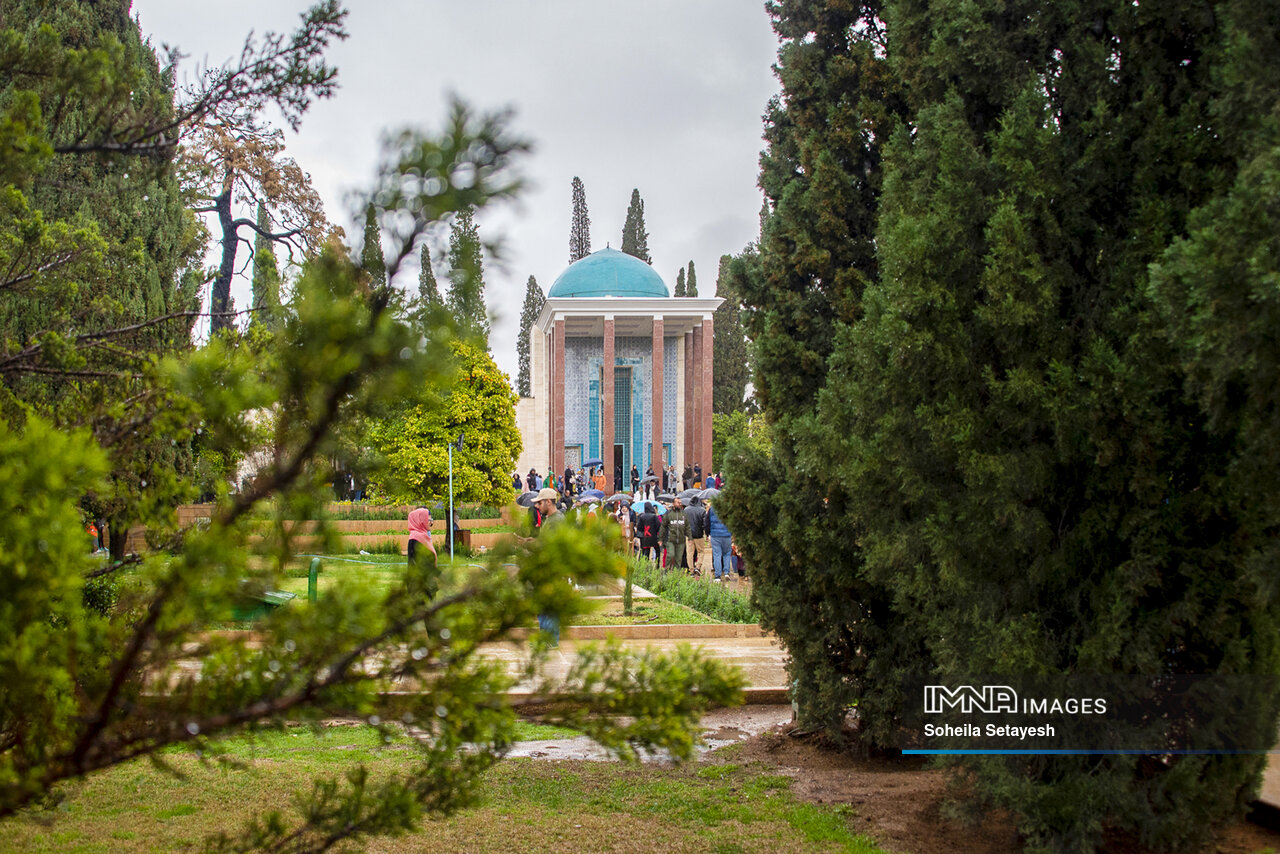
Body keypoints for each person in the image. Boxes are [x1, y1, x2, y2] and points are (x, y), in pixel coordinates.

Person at [530, 487, 563, 645]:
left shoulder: (557, 521)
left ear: (548, 502)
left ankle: (550, 640)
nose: (537, 506)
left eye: (540, 503)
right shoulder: (550, 520)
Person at [406, 507, 440, 598]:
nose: (431, 522)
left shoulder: (423, 536)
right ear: (420, 520)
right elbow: (421, 563)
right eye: (428, 520)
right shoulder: (415, 538)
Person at [706, 500, 734, 581]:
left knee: (717, 554)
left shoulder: (711, 509)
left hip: (715, 535)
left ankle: (717, 575)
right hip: (727, 535)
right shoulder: (729, 508)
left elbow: (707, 522)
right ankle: (726, 572)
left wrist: (708, 533)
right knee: (727, 554)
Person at [659, 496, 688, 574]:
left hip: (680, 538)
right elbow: (663, 526)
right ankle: (666, 570)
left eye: (680, 503)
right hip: (670, 538)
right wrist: (660, 538)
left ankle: (676, 574)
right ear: (673, 503)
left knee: (678, 558)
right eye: (678, 502)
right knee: (670, 554)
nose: (680, 504)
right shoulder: (668, 513)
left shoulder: (683, 514)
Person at [684, 497, 707, 576]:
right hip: (699, 535)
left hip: (689, 535)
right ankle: (698, 566)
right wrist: (706, 533)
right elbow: (705, 523)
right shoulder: (702, 510)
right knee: (701, 551)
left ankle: (691, 570)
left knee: (690, 553)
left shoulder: (686, 510)